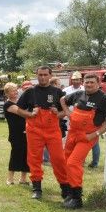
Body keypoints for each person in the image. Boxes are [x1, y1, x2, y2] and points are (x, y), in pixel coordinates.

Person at [17, 66, 70, 200]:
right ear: (37, 76)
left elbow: (65, 112)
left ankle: (65, 187)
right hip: (34, 130)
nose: (42, 77)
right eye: (40, 75)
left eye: (45, 75)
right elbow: (18, 109)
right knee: (34, 159)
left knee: (58, 159)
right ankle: (36, 188)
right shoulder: (30, 92)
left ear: (50, 75)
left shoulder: (58, 92)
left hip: (53, 130)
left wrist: (57, 113)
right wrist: (30, 114)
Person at [60, 73, 106, 209]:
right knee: (66, 161)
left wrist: (95, 134)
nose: (89, 84)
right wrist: (67, 113)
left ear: (98, 84)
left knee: (73, 163)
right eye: (87, 82)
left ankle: (77, 198)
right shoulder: (78, 94)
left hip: (87, 137)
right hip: (72, 133)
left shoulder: (104, 99)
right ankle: (69, 192)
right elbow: (62, 100)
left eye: (92, 82)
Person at [2, 82, 29, 185]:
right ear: (7, 93)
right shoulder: (8, 104)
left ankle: (23, 179)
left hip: (26, 132)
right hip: (16, 134)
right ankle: (10, 179)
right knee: (15, 155)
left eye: (16, 89)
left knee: (26, 156)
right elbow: (22, 113)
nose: (16, 91)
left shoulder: (20, 102)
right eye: (13, 90)